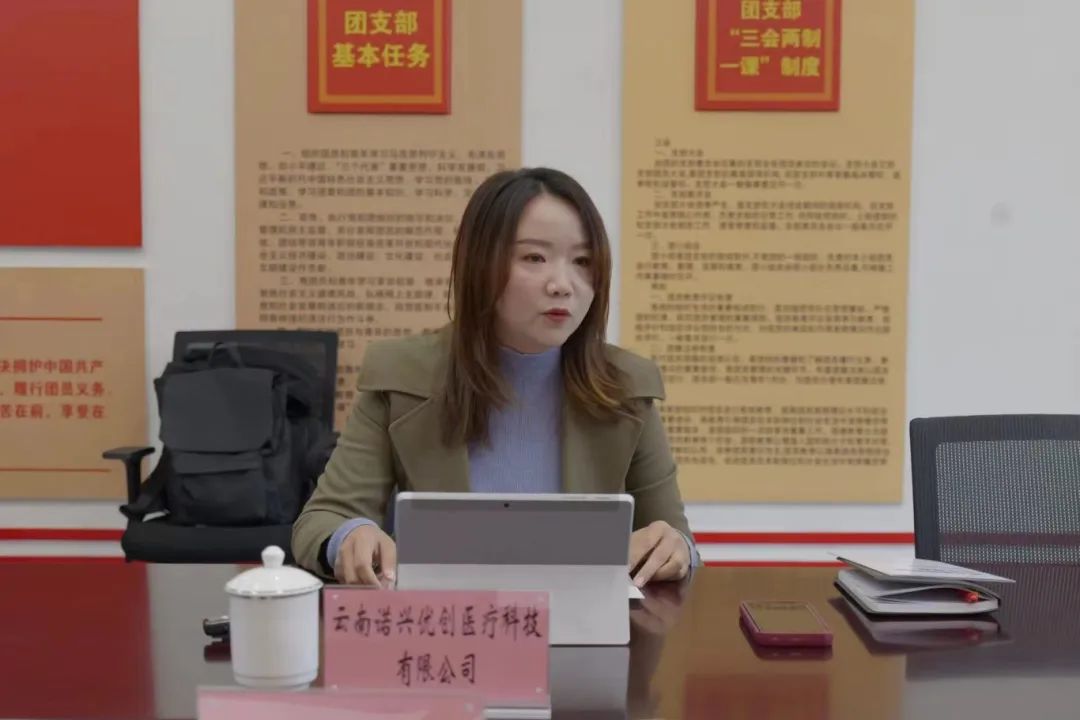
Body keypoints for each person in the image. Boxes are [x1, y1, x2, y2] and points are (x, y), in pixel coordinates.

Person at [292, 167, 698, 588]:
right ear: (481, 264)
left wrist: (675, 547)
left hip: (584, 619)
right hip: (447, 619)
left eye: (583, 261)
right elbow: (323, 519)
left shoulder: (625, 386)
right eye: (534, 258)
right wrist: (350, 535)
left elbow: (677, 538)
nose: (563, 285)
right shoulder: (402, 376)